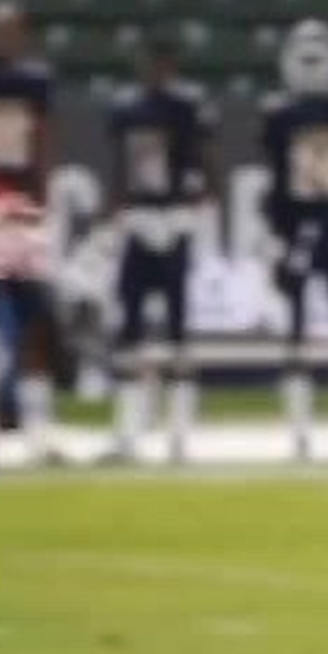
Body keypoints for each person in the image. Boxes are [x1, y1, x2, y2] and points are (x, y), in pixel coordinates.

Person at [101, 41, 219, 466]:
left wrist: (200, 210)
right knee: (129, 328)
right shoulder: (127, 108)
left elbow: (206, 160)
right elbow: (119, 163)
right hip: (140, 217)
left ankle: (180, 435)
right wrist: (117, 211)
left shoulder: (187, 106)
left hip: (176, 218)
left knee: (179, 330)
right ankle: (127, 431)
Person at [261, 19, 328, 461]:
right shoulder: (280, 114)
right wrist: (274, 232)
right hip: (296, 229)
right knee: (295, 329)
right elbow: (273, 178)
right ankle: (299, 430)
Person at [0, 0, 61, 463]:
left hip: (22, 207)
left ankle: (38, 429)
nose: (3, 37)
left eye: (11, 29)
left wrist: (42, 202)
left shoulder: (35, 81)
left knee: (33, 317)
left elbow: (45, 141)